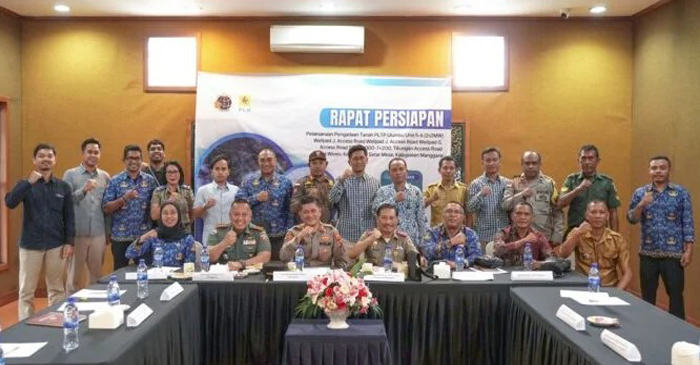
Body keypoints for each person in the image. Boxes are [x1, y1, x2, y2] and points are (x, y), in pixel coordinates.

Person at [4, 143, 74, 320]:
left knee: (56, 289)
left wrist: (69, 242)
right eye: (41, 156)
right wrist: (28, 183)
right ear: (34, 160)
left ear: (54, 160)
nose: (46, 159)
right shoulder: (26, 184)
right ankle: (24, 327)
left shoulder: (63, 187)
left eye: (49, 156)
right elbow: (10, 202)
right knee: (27, 291)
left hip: (56, 244)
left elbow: (69, 216)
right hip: (30, 244)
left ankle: (57, 322)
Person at [627, 156, 694, 319]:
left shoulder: (681, 192)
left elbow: (688, 222)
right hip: (648, 253)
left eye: (662, 168)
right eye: (654, 168)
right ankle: (648, 328)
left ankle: (679, 332)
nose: (658, 171)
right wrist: (642, 204)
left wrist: (688, 251)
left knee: (676, 296)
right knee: (647, 297)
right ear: (649, 171)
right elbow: (631, 219)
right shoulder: (641, 192)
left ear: (669, 170)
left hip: (673, 254)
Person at [62, 138, 111, 293]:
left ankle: (94, 310)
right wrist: (84, 190)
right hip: (77, 233)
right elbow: (65, 202)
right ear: (83, 154)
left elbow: (107, 207)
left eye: (96, 152)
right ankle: (73, 311)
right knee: (73, 278)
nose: (93, 155)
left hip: (98, 233)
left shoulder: (105, 177)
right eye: (89, 152)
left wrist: (108, 232)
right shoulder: (70, 175)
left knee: (96, 276)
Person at [102, 145, 158, 270]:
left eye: (137, 158)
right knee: (120, 273)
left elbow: (155, 205)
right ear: (124, 160)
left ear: (141, 160)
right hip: (120, 237)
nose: (133, 161)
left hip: (143, 236)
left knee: (145, 272)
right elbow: (106, 208)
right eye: (130, 158)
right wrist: (124, 199)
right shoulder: (115, 181)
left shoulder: (150, 181)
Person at [554, 200, 632, 289]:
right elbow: (562, 254)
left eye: (601, 212)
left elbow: (627, 273)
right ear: (586, 215)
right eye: (593, 212)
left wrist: (618, 292)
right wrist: (578, 233)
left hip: (609, 287)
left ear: (607, 216)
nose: (597, 216)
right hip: (583, 287)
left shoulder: (617, 239)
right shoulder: (578, 233)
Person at [236, 148, 294, 260]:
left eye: (269, 159)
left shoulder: (285, 182)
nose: (266, 163)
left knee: (278, 270)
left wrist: (289, 232)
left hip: (278, 235)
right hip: (254, 235)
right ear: (258, 162)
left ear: (275, 161)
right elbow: (238, 203)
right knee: (253, 269)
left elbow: (290, 209)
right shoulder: (248, 181)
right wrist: (255, 198)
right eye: (262, 160)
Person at [502, 151, 565, 245]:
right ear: (522, 164)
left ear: (539, 164)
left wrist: (557, 237)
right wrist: (522, 195)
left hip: (544, 238)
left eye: (534, 163)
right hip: (518, 239)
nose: (530, 166)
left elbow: (557, 211)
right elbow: (505, 205)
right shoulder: (513, 183)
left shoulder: (549, 184)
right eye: (527, 163)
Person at [557, 144, 621, 233]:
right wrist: (578, 189)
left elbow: (613, 211)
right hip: (576, 232)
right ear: (578, 160)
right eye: (583, 158)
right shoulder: (571, 180)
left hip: (599, 233)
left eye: (591, 158)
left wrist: (615, 236)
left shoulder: (607, 182)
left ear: (597, 161)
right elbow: (560, 204)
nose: (587, 162)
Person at [328, 144, 380, 243]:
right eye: (355, 158)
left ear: (367, 160)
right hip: (345, 237)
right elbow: (331, 200)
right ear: (349, 162)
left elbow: (378, 210)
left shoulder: (375, 183)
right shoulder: (341, 180)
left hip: (368, 237)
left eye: (361, 158)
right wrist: (342, 181)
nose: (359, 161)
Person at [280, 196, 348, 269]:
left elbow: (342, 261)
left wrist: (334, 275)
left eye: (313, 211)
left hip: (323, 276)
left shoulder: (331, 231)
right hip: (301, 275)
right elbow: (284, 257)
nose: (310, 215)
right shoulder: (293, 232)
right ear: (300, 215)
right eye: (305, 212)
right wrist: (299, 237)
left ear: (320, 212)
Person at [372, 158, 428, 247]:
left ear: (406, 172)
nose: (398, 172)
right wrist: (393, 199)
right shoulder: (382, 191)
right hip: (388, 241)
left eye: (401, 169)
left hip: (411, 241)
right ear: (389, 173)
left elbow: (421, 219)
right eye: (394, 170)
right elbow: (375, 211)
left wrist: (423, 244)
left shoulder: (416, 192)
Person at [206, 199, 272, 271]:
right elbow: (209, 257)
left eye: (244, 215)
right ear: (230, 216)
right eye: (236, 214)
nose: (240, 218)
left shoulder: (258, 232)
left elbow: (265, 257)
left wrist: (241, 264)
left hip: (251, 277)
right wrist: (224, 243)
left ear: (250, 216)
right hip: (224, 276)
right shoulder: (218, 232)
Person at [125, 202, 195, 267]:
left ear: (179, 216)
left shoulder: (187, 238)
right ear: (160, 216)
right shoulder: (154, 236)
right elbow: (129, 254)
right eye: (165, 213)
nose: (169, 216)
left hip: (179, 278)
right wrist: (143, 237)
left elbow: (190, 266)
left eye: (173, 213)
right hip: (156, 277)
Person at [350, 203, 419, 266]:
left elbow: (415, 257)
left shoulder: (403, 238)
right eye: (384, 218)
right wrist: (370, 239)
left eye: (391, 218)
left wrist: (420, 259)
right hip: (373, 278)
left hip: (397, 278)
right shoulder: (369, 236)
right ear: (377, 219)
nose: (388, 222)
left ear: (397, 219)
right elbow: (352, 254)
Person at [467, 147, 510, 245]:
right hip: (483, 237)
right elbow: (469, 209)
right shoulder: (476, 184)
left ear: (500, 161)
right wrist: (480, 194)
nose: (491, 163)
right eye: (488, 160)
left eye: (494, 160)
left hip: (504, 237)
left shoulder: (507, 183)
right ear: (482, 163)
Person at [491, 202, 553, 267]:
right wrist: (524, 241)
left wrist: (541, 264)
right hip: (506, 274)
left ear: (532, 218)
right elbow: (497, 251)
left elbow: (550, 258)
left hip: (530, 274)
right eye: (518, 213)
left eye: (526, 214)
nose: (522, 217)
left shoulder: (538, 236)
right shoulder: (503, 233)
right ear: (512, 216)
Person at [422, 202, 482, 268]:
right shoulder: (432, 232)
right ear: (442, 215)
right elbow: (427, 252)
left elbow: (476, 256)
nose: (453, 215)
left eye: (457, 212)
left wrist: (459, 264)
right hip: (437, 273)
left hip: (463, 273)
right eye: (449, 211)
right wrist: (450, 242)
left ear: (463, 217)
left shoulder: (470, 234)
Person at [193, 155, 239, 242]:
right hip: (210, 238)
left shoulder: (236, 191)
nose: (220, 172)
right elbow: (195, 214)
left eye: (223, 169)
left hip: (231, 238)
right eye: (217, 169)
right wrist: (205, 206)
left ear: (228, 171)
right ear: (211, 171)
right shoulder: (203, 190)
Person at [290, 150, 335, 224]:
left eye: (321, 163)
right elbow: (292, 207)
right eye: (314, 163)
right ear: (309, 165)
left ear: (326, 164)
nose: (317, 166)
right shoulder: (301, 183)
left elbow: (335, 206)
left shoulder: (331, 183)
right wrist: (307, 197)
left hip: (326, 228)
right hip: (306, 228)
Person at [423, 156, 468, 227]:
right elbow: (419, 206)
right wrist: (431, 199)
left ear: (456, 170)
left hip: (457, 231)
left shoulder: (463, 189)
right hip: (437, 232)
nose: (448, 171)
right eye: (445, 168)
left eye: (451, 168)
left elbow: (468, 212)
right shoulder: (431, 188)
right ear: (439, 170)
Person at [151, 160, 194, 232]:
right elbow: (154, 216)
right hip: (164, 232)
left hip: (184, 231)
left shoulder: (187, 191)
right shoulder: (158, 192)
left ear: (180, 174)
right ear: (165, 174)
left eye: (175, 172)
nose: (172, 175)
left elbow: (192, 213)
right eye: (169, 172)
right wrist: (169, 201)